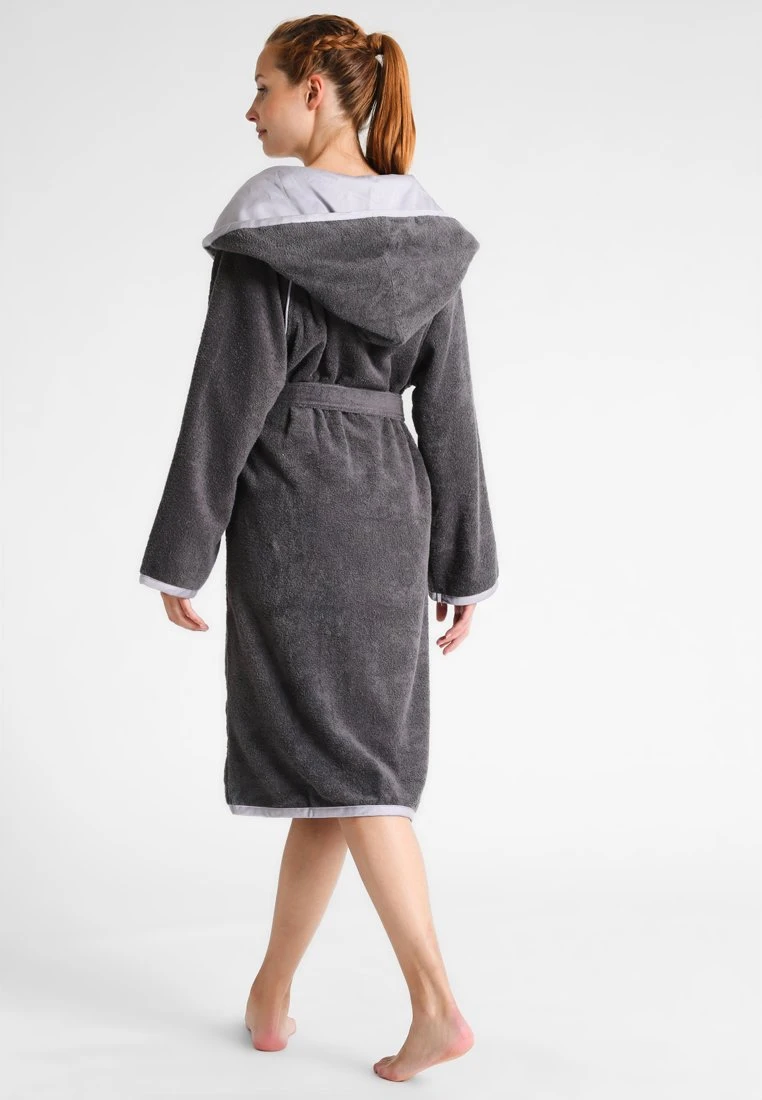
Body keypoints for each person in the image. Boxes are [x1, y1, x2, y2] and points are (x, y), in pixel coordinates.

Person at [138, 14, 499, 1083]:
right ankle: (272, 993)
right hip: (392, 499)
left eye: (262, 87)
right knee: (336, 760)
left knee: (351, 765)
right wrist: (463, 559)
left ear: (314, 91)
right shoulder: (425, 234)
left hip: (297, 500)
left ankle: (435, 1003)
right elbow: (451, 410)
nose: (249, 111)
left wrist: (182, 550)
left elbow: (226, 399)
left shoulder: (270, 229)